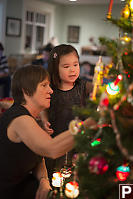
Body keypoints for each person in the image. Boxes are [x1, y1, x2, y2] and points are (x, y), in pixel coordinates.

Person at [0, 65, 83, 199]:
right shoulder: (20, 119)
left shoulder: (29, 117)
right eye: (44, 85)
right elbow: (52, 149)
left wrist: (44, 180)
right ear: (26, 91)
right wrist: (87, 126)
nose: (50, 91)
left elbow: (39, 157)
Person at [43, 44, 93, 182]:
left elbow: (98, 91)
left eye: (76, 64)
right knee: (55, 172)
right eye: (66, 67)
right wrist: (44, 120)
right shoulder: (50, 88)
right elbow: (43, 107)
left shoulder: (82, 86)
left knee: (75, 172)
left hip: (78, 137)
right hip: (57, 136)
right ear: (55, 69)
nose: (73, 70)